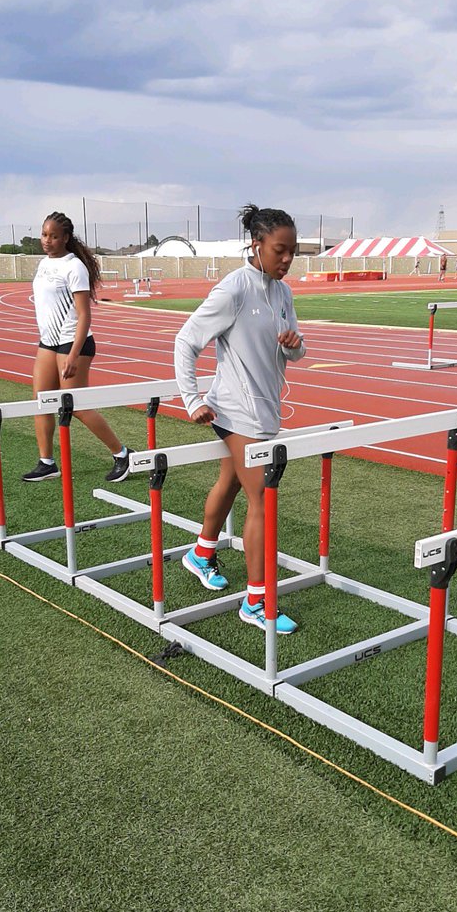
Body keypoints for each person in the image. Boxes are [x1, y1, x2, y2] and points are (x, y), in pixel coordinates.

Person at [174, 204, 306, 634]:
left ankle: (200, 553)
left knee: (229, 483)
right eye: (280, 251)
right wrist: (191, 399)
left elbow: (297, 352)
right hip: (234, 412)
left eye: (293, 252)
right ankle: (255, 601)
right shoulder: (235, 289)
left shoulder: (282, 291)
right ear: (257, 245)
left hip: (264, 410)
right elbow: (186, 340)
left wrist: (291, 344)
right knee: (263, 502)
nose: (287, 259)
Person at [21, 211, 131, 483]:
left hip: (73, 343)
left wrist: (72, 355)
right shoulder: (44, 264)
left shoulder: (74, 267)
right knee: (42, 401)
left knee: (76, 406)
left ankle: (122, 454)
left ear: (66, 238)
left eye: (54, 236)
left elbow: (84, 315)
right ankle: (47, 462)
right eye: (44, 235)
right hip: (49, 342)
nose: (47, 240)